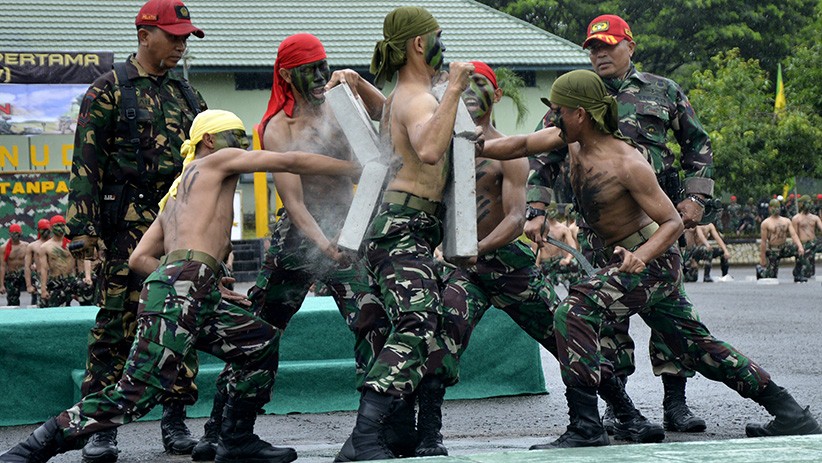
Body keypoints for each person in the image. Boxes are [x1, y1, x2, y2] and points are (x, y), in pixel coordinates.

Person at [0, 109, 361, 463]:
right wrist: (355, 167)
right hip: (183, 288)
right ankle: (35, 447)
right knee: (137, 390)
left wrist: (196, 278)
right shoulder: (215, 161)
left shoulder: (174, 195)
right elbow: (290, 159)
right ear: (209, 140)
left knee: (258, 343)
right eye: (236, 136)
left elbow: (139, 259)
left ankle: (236, 439)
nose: (244, 144)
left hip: (186, 287)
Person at [529, 69, 821, 449]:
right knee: (697, 346)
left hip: (651, 254)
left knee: (575, 311)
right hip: (623, 255)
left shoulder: (630, 148)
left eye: (560, 111)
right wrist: (473, 142)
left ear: (581, 113)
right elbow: (523, 147)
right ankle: (789, 412)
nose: (554, 117)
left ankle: (587, 424)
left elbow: (688, 171)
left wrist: (688, 207)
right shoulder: (572, 137)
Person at [483, 13, 713, 434]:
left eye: (607, 45)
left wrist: (695, 199)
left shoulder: (664, 91)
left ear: (630, 46)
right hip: (598, 227)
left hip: (655, 223)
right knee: (604, 318)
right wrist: (536, 208)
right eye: (592, 47)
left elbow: (697, 142)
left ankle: (675, 404)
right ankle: (617, 403)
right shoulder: (576, 96)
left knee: (670, 314)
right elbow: (542, 153)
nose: (599, 53)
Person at [190, 34, 387, 461]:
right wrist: (322, 244)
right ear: (286, 75)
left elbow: (389, 133)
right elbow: (294, 203)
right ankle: (223, 431)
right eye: (309, 70)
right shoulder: (277, 126)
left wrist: (358, 85)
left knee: (370, 318)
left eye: (324, 66)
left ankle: (374, 434)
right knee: (259, 330)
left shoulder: (339, 106)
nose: (319, 77)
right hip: (299, 238)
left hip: (347, 228)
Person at [64, 0, 208, 458]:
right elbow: (85, 166)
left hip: (179, 231)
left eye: (186, 38)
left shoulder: (189, 98)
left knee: (180, 318)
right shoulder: (107, 92)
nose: (181, 46)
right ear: (145, 34)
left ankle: (176, 419)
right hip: (123, 231)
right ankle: (100, 428)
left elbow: (208, 170)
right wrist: (83, 234)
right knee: (115, 327)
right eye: (174, 36)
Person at [333, 7, 476, 461]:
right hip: (403, 228)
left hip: (405, 226)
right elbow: (431, 149)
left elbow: (393, 112)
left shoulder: (406, 95)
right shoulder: (422, 98)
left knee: (416, 324)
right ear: (419, 44)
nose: (443, 45)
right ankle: (365, 439)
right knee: (417, 323)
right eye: (438, 37)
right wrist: (454, 86)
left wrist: (358, 82)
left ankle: (375, 436)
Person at [759, 199, 805, 281]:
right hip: (773, 250)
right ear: (769, 208)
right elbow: (763, 241)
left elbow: (794, 235)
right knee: (771, 277)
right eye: (774, 207)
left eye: (777, 207)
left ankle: (797, 274)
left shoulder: (786, 221)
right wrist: (762, 258)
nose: (776, 209)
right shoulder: (766, 223)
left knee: (799, 251)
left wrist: (800, 246)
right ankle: (761, 271)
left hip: (784, 247)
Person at [37, 216, 78, 308]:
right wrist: (43, 288)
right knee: (55, 309)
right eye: (57, 225)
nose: (60, 228)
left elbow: (81, 262)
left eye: (63, 225)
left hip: (71, 280)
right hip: (55, 282)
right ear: (51, 228)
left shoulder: (72, 244)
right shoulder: (45, 247)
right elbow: (44, 269)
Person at [791, 195, 822, 280]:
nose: (809, 205)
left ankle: (804, 265)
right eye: (806, 203)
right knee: (808, 273)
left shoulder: (815, 218)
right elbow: (795, 235)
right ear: (801, 204)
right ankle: (798, 267)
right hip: (803, 245)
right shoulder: (796, 218)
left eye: (809, 203)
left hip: (814, 243)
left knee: (810, 272)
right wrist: (798, 247)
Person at [24, 219, 51, 306]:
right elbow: (27, 266)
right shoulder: (32, 246)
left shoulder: (55, 244)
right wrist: (28, 285)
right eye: (43, 229)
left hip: (54, 278)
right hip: (39, 279)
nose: (45, 232)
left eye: (47, 229)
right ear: (38, 230)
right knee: (41, 306)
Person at [1, 224, 29, 306]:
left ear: (21, 233)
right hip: (12, 275)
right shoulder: (4, 248)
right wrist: (1, 285)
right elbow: (2, 266)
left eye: (17, 233)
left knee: (36, 291)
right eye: (13, 233)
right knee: (12, 300)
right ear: (9, 234)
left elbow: (33, 262)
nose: (15, 235)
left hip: (25, 273)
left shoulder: (26, 246)